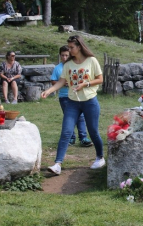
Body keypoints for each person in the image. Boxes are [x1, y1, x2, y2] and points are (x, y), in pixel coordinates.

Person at [41, 35, 105, 175]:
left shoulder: (91, 61)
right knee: (66, 132)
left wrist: (85, 84)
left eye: (71, 47)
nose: (69, 50)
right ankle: (57, 164)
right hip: (72, 102)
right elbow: (61, 81)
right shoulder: (68, 64)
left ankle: (100, 157)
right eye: (68, 47)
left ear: (79, 46)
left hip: (90, 101)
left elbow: (100, 79)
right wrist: (49, 90)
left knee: (93, 131)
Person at [51, 45, 93, 147]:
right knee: (69, 117)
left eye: (66, 55)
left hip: (78, 95)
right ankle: (71, 137)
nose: (64, 58)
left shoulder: (75, 65)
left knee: (81, 117)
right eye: (62, 56)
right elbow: (53, 80)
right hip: (64, 96)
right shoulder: (57, 68)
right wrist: (62, 83)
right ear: (60, 56)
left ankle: (83, 137)